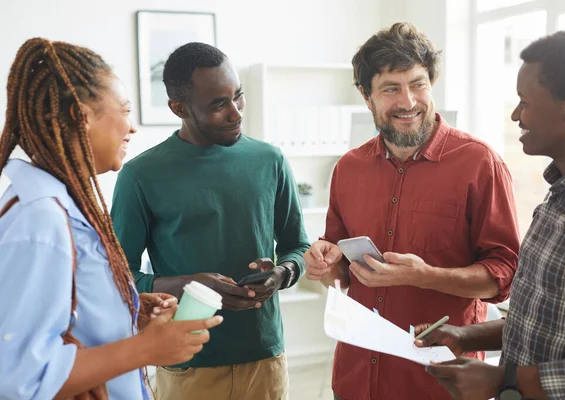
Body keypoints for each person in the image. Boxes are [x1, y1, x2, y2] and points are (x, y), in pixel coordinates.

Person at [303, 23, 521, 400]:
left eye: (418, 84)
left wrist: (425, 275)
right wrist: (324, 265)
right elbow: (342, 274)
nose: (408, 102)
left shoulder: (479, 163)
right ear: (366, 96)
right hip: (355, 379)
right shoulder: (348, 168)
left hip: (437, 382)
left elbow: (504, 277)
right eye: (390, 88)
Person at [0, 38, 223, 399]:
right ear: (81, 116)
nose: (131, 128)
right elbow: (18, 376)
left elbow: (64, 319)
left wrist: (128, 313)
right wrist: (147, 350)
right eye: (124, 110)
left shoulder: (65, 205)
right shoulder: (39, 220)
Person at [110, 42, 310, 400]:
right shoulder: (140, 175)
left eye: (238, 97)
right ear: (179, 108)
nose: (236, 113)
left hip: (264, 357)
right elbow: (117, 277)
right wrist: (188, 285)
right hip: (187, 364)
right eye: (219, 104)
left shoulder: (270, 161)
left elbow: (298, 247)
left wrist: (281, 274)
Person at [419, 28, 565, 400]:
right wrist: (464, 335)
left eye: (524, 102)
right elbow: (547, 322)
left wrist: (510, 381)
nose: (516, 115)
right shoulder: (561, 197)